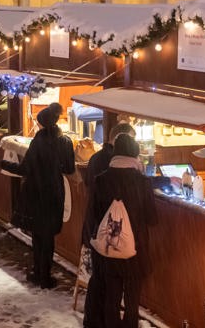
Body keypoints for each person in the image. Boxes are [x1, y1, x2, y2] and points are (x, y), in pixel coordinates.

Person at [84, 134, 157, 328]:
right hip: (136, 251)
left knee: (111, 298)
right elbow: (152, 218)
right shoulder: (142, 182)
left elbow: (95, 215)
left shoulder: (101, 180)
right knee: (132, 300)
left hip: (109, 249)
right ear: (135, 154)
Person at [0, 103, 75, 289]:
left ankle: (38, 272)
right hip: (54, 193)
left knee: (38, 236)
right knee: (48, 237)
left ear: (42, 124)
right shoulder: (65, 142)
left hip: (35, 192)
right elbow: (69, 168)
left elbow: (25, 168)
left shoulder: (38, 141)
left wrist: (4, 164)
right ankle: (45, 276)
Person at [81, 122, 135, 328]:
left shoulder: (97, 159)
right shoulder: (114, 167)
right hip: (111, 233)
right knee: (111, 285)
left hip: (97, 230)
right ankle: (105, 321)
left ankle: (93, 320)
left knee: (99, 280)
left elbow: (90, 189)